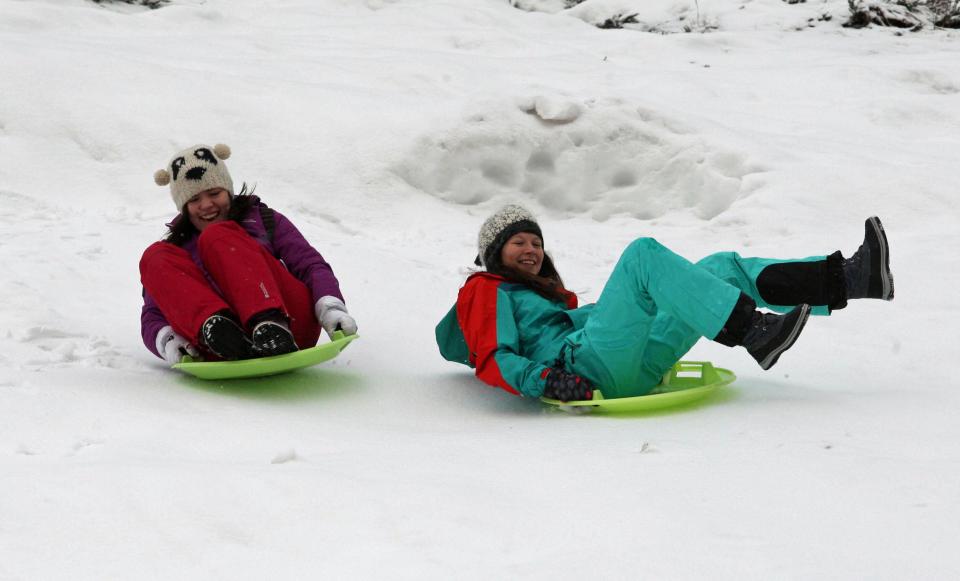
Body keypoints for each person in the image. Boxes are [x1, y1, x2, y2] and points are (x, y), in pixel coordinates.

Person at [436, 204, 894, 402]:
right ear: (493, 253)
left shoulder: (553, 300)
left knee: (721, 267)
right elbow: (494, 360)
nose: (532, 250)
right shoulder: (485, 290)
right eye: (519, 242)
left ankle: (848, 280)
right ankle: (755, 332)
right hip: (578, 371)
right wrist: (549, 382)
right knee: (642, 255)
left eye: (536, 242)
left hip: (632, 366)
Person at [140, 143, 357, 365]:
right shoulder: (177, 249)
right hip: (224, 349)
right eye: (194, 199)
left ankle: (270, 325)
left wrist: (331, 308)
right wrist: (169, 340)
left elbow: (310, 265)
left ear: (228, 190)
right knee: (154, 256)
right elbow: (153, 312)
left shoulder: (263, 220)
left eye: (214, 193)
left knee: (217, 235)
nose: (206, 205)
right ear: (183, 206)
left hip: (292, 326)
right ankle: (217, 332)